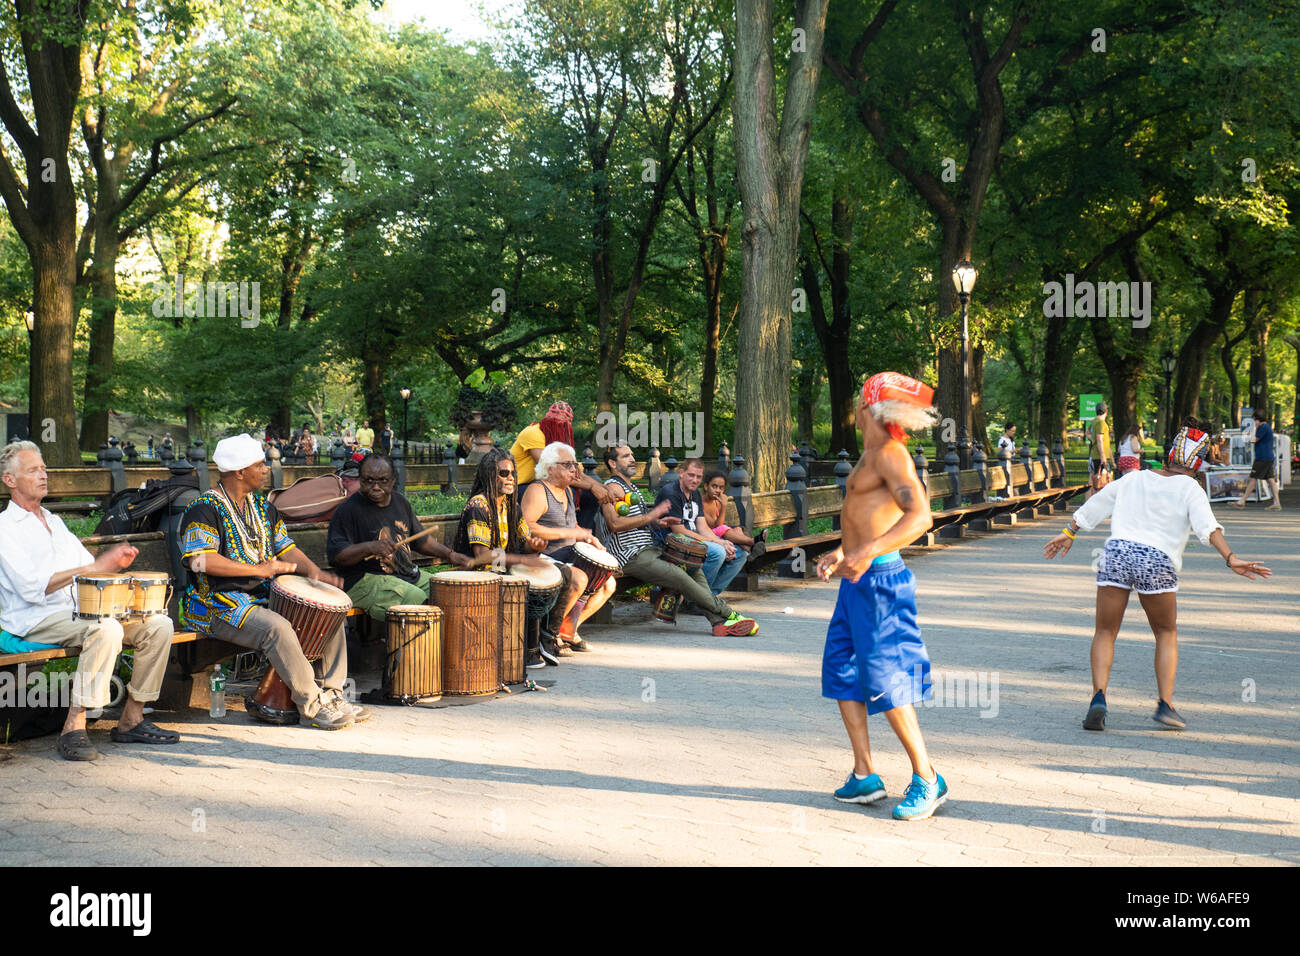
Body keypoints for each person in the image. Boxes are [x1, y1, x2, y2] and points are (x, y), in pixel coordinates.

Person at [1043, 419, 1272, 732]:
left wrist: (1069, 531)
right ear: (1199, 461)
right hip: (1157, 560)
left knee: (1105, 631)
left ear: (1169, 453)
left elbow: (1098, 503)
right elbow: (1209, 527)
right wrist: (1230, 558)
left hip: (1118, 553)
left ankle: (1098, 698)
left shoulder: (1133, 478)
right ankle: (1165, 705)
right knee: (1165, 632)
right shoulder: (1191, 488)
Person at [816, 372, 946, 821]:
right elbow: (868, 518)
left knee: (887, 681)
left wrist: (867, 552)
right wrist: (841, 552)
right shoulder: (868, 455)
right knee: (841, 671)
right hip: (856, 583)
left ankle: (928, 778)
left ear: (868, 408)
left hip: (882, 583)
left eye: (857, 400)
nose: (852, 407)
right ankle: (865, 774)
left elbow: (920, 517)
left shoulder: (891, 454)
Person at [0, 441, 180, 760]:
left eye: (43, 468)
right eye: (32, 470)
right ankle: (74, 725)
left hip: (77, 613)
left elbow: (91, 571)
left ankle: (131, 719)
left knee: (159, 624)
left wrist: (115, 567)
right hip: (33, 620)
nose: (43, 475)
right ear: (9, 480)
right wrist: (94, 567)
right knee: (105, 629)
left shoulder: (54, 523)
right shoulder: (5, 529)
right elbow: (31, 589)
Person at [180, 434, 362, 730]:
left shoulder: (264, 508)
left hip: (263, 597)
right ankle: (313, 706)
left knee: (329, 613)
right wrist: (260, 570)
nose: (266, 470)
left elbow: (286, 547)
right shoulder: (204, 509)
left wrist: (314, 572)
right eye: (260, 465)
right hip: (215, 605)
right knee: (277, 628)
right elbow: (199, 560)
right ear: (240, 472)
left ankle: (333, 694)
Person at [597, 445, 758, 636]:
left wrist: (659, 522)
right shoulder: (610, 488)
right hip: (629, 555)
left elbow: (639, 523)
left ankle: (718, 623)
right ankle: (729, 614)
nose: (632, 458)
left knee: (693, 568)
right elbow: (614, 524)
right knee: (680, 576)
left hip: (648, 549)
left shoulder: (632, 488)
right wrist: (651, 516)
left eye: (632, 454)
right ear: (613, 463)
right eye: (626, 456)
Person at [327, 453, 473, 623]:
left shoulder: (400, 502)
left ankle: (445, 649)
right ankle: (414, 649)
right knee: (417, 600)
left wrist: (450, 555)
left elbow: (422, 541)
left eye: (382, 480)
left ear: (393, 480)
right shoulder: (348, 510)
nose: (375, 486)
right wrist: (370, 547)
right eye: (368, 481)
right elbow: (337, 556)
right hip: (362, 580)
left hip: (404, 575)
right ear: (360, 479)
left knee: (446, 591)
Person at [454, 450, 555, 667]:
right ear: (490, 475)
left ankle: (535, 647)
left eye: (512, 473)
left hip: (498, 570)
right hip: (473, 576)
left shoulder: (511, 506)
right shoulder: (478, 506)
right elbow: (481, 556)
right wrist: (522, 561)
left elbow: (526, 540)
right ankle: (523, 652)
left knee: (551, 577)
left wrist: (535, 545)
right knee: (526, 584)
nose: (510, 477)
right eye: (503, 473)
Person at [520, 442, 617, 651]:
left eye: (575, 464)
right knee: (579, 578)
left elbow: (570, 525)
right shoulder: (538, 490)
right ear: (550, 467)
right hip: (542, 557)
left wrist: (587, 537)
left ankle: (567, 629)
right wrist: (571, 533)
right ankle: (546, 637)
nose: (575, 470)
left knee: (609, 584)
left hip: (567, 555)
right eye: (568, 465)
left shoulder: (568, 492)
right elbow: (527, 527)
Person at [655, 459, 746, 596]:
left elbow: (702, 526)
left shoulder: (695, 494)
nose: (695, 480)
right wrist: (717, 543)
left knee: (739, 553)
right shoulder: (671, 493)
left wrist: (722, 542)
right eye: (691, 475)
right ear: (681, 473)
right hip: (672, 542)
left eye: (698, 477)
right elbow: (679, 530)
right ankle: (695, 599)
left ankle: (708, 596)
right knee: (718, 553)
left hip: (692, 541)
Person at [510, 401, 616, 516]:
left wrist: (604, 488)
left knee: (589, 496)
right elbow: (553, 472)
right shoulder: (533, 433)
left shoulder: (558, 442)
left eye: (564, 425)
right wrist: (592, 487)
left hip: (540, 483)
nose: (560, 428)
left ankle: (583, 531)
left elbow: (578, 474)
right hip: (519, 486)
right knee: (569, 493)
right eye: (557, 424)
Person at [700, 469, 766, 556]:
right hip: (708, 536)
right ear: (706, 486)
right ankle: (753, 541)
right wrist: (724, 506)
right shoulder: (700, 503)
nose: (718, 490)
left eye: (721, 488)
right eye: (714, 486)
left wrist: (722, 505)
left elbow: (719, 526)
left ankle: (750, 550)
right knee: (723, 529)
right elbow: (716, 526)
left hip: (719, 533)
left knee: (738, 529)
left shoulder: (716, 502)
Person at [1234, 409, 1281, 510]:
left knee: (1253, 478)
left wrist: (1253, 429)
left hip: (1262, 458)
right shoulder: (1266, 427)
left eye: (1254, 420)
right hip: (1268, 457)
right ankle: (1277, 503)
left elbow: (1253, 440)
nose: (1253, 422)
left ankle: (1242, 501)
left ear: (1257, 419)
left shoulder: (1262, 427)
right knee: (1271, 480)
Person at [1086, 402, 1113, 499]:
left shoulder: (1094, 421)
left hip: (1095, 455)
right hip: (1099, 456)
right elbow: (1099, 439)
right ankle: (1097, 505)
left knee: (1095, 481)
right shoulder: (1101, 423)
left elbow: (1087, 433)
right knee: (1101, 483)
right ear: (1106, 411)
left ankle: (1091, 504)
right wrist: (1102, 456)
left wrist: (1093, 440)